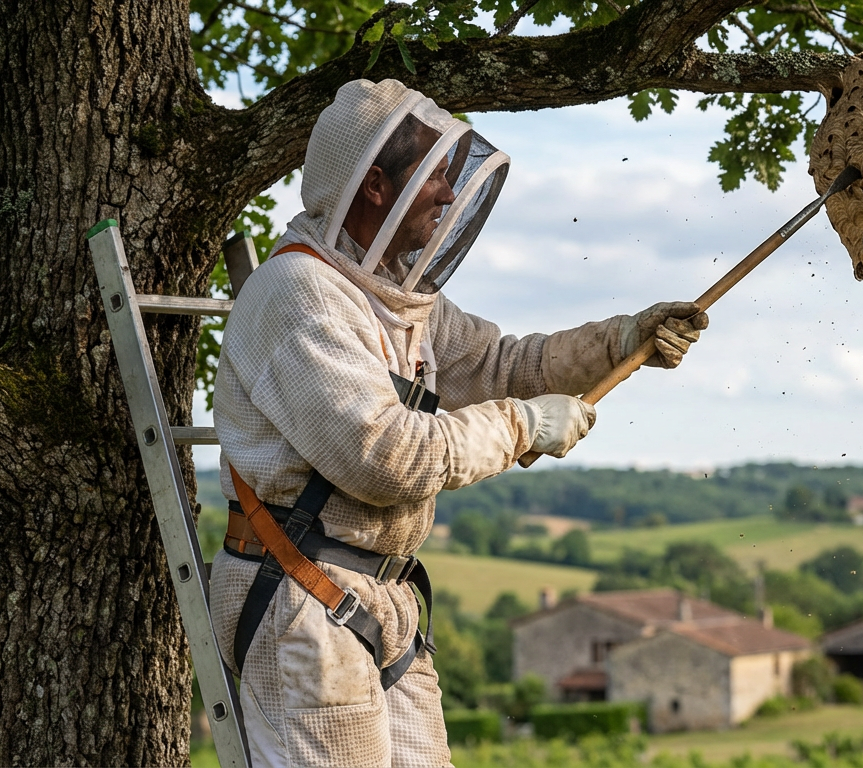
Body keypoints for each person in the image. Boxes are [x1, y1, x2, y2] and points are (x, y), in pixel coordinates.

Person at [208, 78, 707, 767]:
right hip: (302, 605)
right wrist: (522, 428)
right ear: (376, 187)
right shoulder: (300, 297)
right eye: (435, 175)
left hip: (379, 598)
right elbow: (382, 456)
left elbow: (504, 368)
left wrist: (622, 340)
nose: (449, 193)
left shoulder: (394, 296)